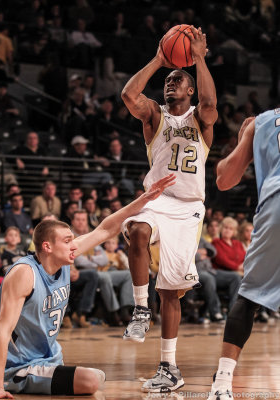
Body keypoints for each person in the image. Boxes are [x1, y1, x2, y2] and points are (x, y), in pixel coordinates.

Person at [0, 174, 175, 398]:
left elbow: (105, 229)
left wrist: (145, 199)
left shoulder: (62, 258)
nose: (74, 245)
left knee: (98, 376)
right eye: (67, 241)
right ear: (47, 247)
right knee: (89, 381)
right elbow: (2, 332)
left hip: (47, 358)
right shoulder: (24, 273)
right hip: (18, 367)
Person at [120, 25, 218, 393]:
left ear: (190, 89)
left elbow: (209, 106)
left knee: (171, 292)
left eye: (178, 80)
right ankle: (140, 310)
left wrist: (201, 60)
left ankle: (169, 369)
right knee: (138, 230)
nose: (170, 83)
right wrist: (159, 60)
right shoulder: (154, 116)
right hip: (157, 200)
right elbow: (129, 93)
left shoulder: (201, 121)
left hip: (188, 210)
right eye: (168, 80)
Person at [208, 111, 280, 400]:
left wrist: (242, 140)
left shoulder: (261, 121)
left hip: (276, 203)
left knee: (249, 296)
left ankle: (222, 382)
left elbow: (225, 179)